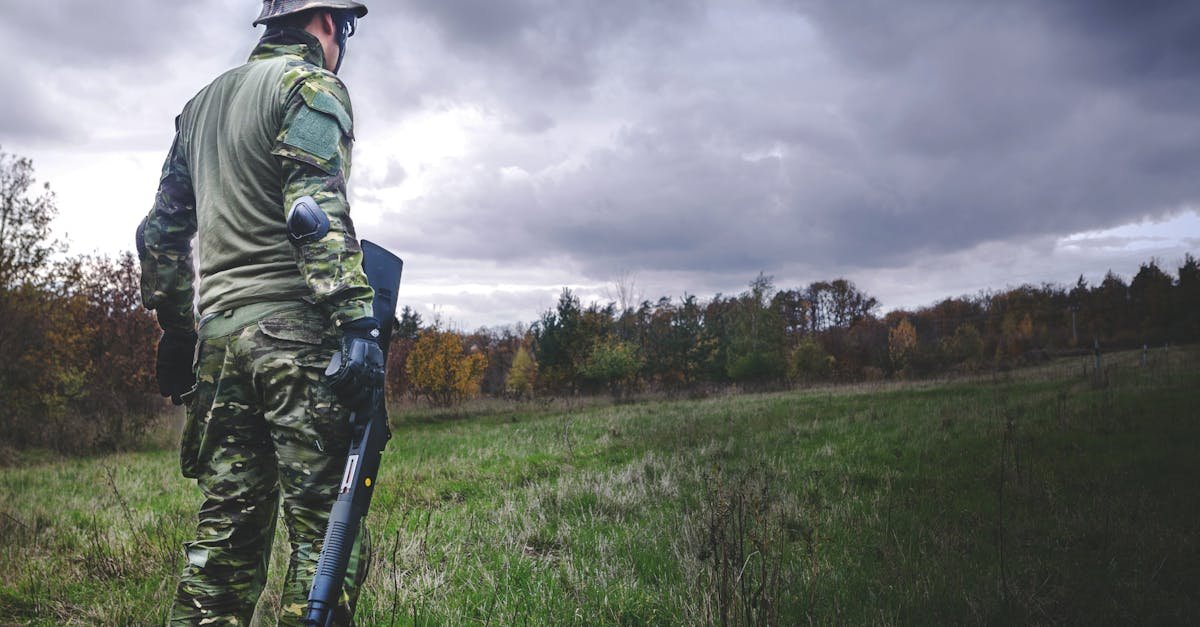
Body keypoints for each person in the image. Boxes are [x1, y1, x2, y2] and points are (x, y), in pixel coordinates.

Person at [135, 1, 382, 624]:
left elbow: (161, 234)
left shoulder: (199, 109)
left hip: (219, 344)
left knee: (226, 534)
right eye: (343, 30)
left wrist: (176, 330)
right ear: (328, 22)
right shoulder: (310, 86)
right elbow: (313, 206)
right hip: (295, 341)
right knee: (328, 530)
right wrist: (355, 319)